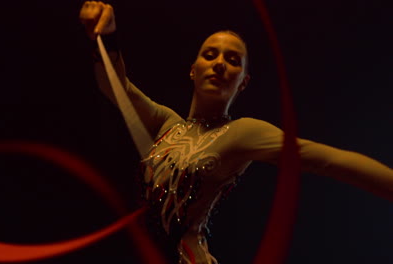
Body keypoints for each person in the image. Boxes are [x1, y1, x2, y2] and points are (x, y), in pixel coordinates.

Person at [79, 1, 393, 263]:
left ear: (243, 81)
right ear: (193, 68)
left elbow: (328, 160)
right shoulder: (167, 123)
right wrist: (105, 38)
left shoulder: (242, 133)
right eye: (210, 54)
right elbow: (114, 86)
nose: (219, 64)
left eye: (232, 60)